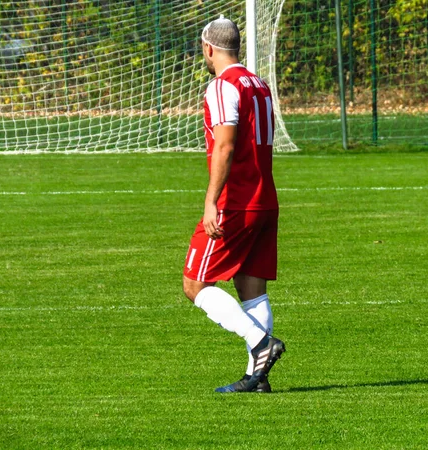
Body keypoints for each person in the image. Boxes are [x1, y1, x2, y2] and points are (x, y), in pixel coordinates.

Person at [182, 16, 285, 393]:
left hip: (235, 202)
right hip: (264, 198)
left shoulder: (222, 86)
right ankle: (257, 378)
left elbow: (225, 146)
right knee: (251, 288)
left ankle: (261, 345)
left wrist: (211, 202)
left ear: (208, 48)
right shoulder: (259, 84)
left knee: (195, 283)